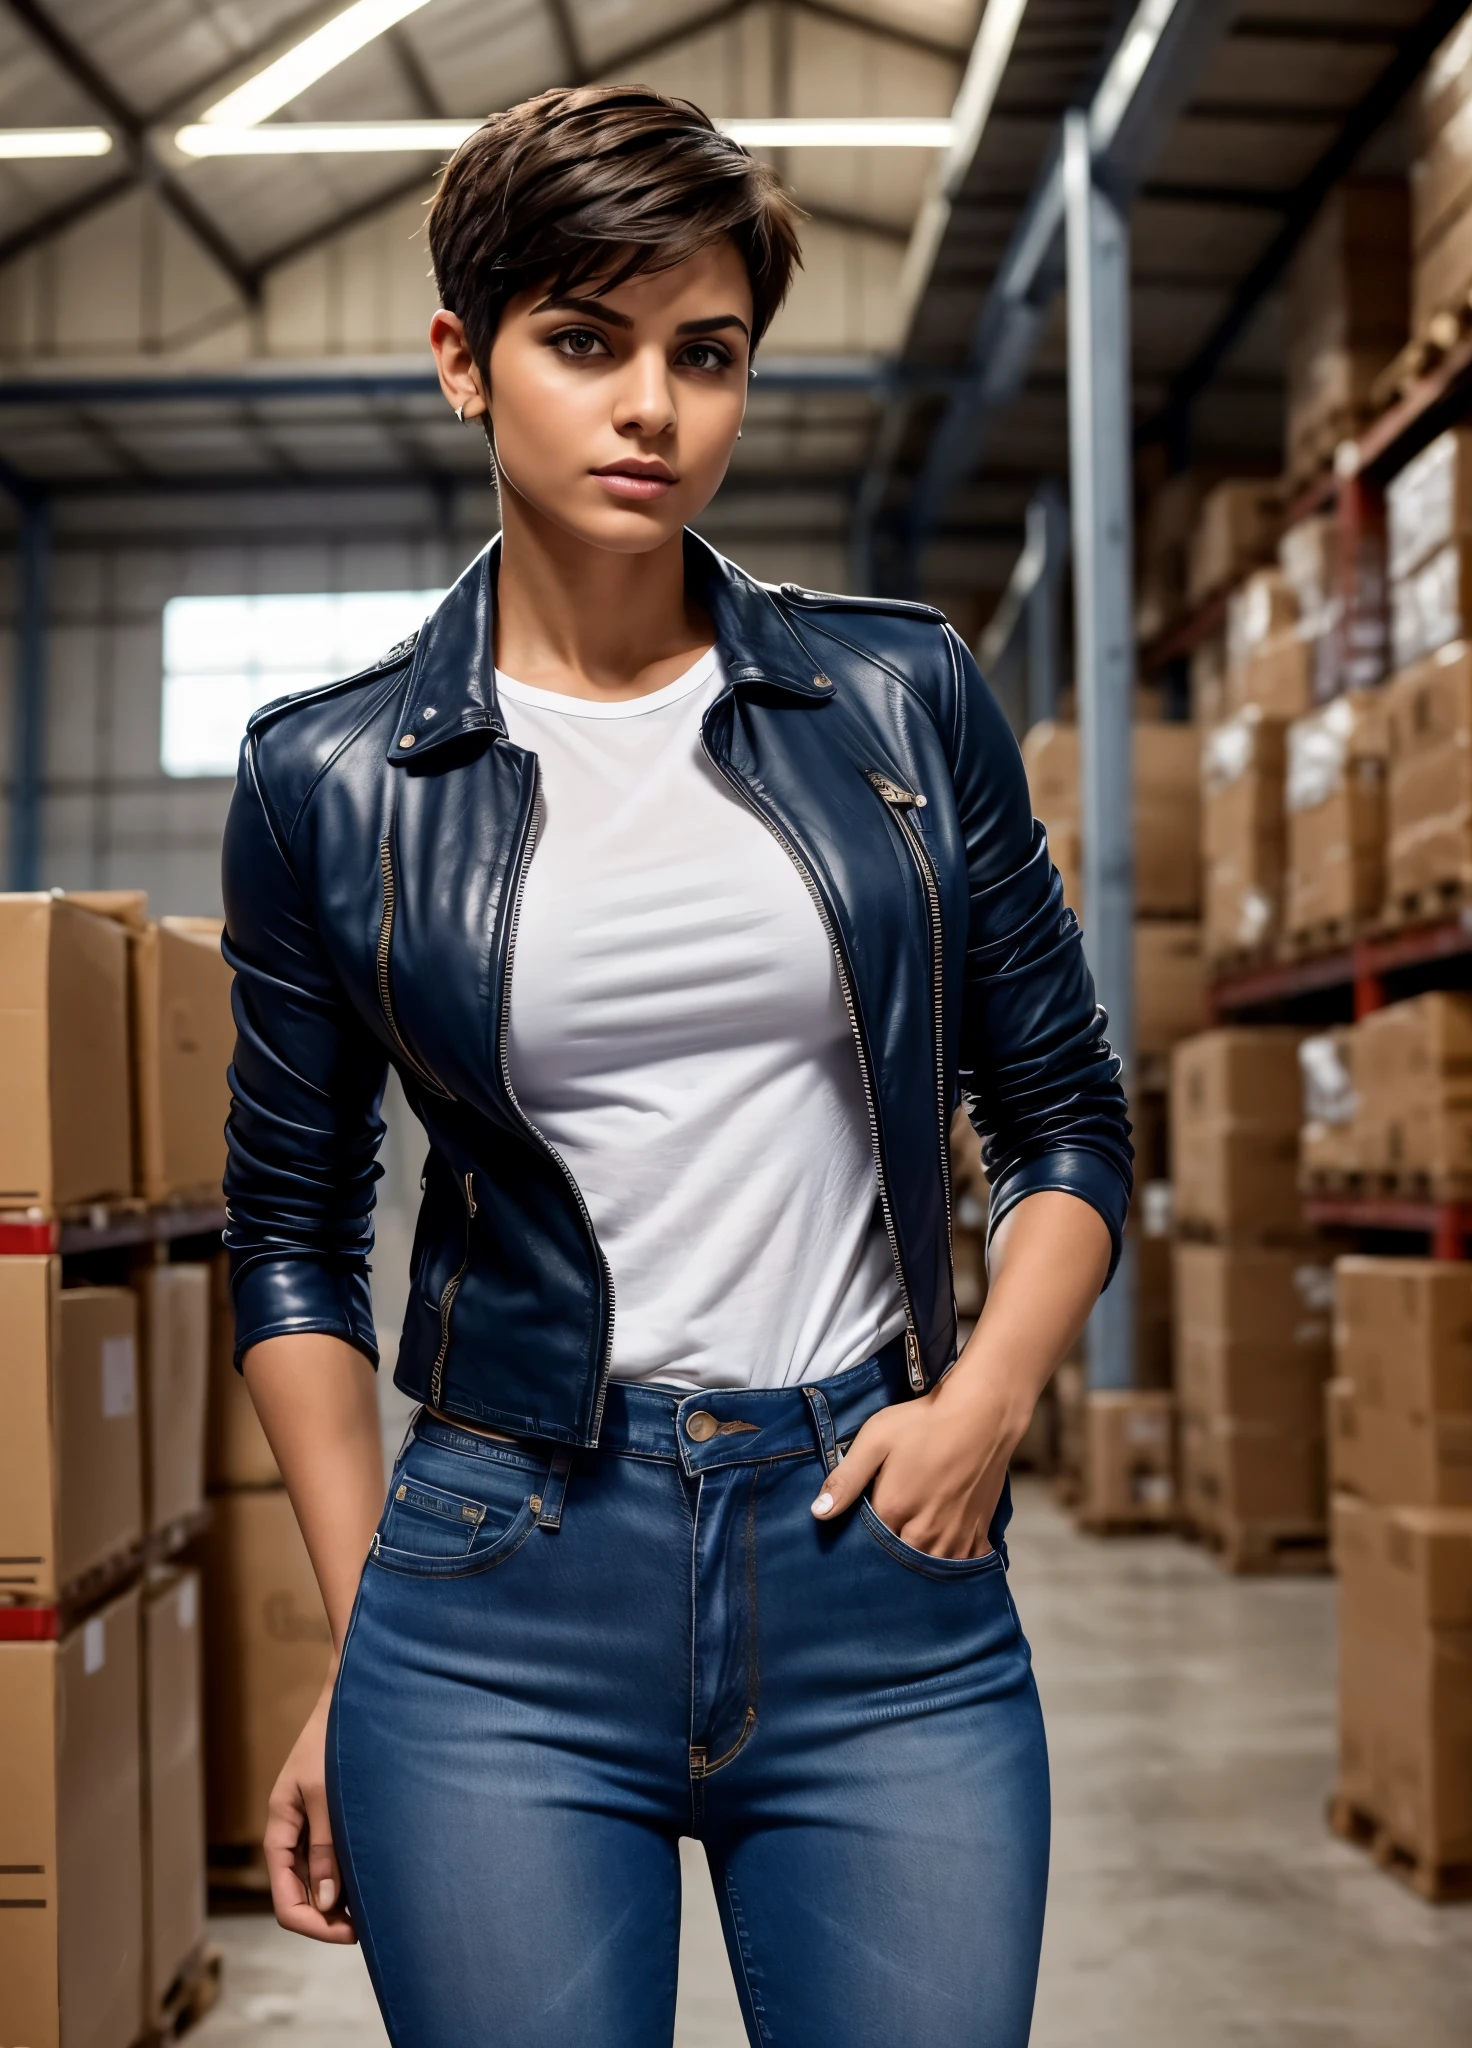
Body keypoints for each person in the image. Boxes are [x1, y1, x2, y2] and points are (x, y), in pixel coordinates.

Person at [223, 82, 1132, 2048]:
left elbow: (1065, 1120)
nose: (653, 407)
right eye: (585, 341)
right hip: (496, 1597)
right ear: (465, 361)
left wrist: (984, 1402)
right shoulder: (327, 777)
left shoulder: (900, 698)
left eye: (704, 355)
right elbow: (291, 1235)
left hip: (879, 1575)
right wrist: (369, 1636)